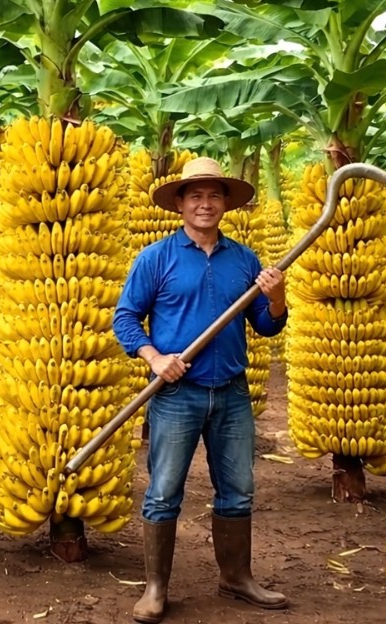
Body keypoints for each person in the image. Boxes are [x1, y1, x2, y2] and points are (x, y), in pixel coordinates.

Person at [113, 156, 289, 624]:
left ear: (226, 203)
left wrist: (276, 297)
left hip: (230, 393)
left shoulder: (244, 259)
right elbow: (125, 318)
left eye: (214, 195)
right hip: (177, 395)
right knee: (163, 492)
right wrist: (155, 358)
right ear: (180, 204)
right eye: (196, 196)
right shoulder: (156, 259)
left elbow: (267, 327)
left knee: (237, 491)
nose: (205, 204)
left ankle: (237, 578)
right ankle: (155, 588)